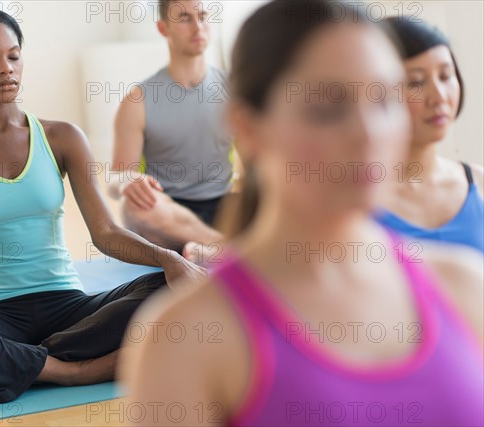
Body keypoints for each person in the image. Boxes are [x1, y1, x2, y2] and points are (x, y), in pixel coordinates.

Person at [118, 1, 484, 425]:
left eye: (385, 100)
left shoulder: (464, 284)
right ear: (248, 128)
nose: (368, 134)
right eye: (328, 108)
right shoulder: (187, 337)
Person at [0, 8, 204, 404]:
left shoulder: (63, 138)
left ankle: (9, 367)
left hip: (71, 309)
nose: (6, 68)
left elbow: (105, 234)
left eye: (14, 56)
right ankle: (76, 370)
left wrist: (170, 259)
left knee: (173, 285)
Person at [109, 0, 235, 255]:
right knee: (135, 209)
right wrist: (126, 182)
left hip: (223, 205)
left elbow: (259, 162)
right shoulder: (137, 100)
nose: (197, 27)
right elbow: (117, 176)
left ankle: (208, 252)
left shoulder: (235, 91)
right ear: (163, 28)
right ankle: (230, 252)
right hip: (165, 211)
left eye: (202, 16)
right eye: (185, 18)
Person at [376, 17, 484, 253]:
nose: (439, 96)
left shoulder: (479, 183)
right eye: (415, 83)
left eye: (446, 76)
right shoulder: (354, 198)